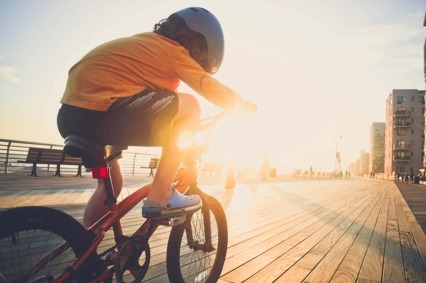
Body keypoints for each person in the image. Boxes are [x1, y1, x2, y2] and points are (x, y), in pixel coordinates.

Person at [57, 7, 254, 227]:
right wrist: (241, 104)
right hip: (103, 114)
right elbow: (207, 86)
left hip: (70, 116)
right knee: (190, 105)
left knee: (112, 183)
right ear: (200, 43)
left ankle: (85, 250)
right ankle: (160, 195)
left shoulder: (146, 45)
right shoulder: (174, 51)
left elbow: (155, 111)